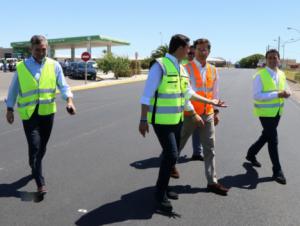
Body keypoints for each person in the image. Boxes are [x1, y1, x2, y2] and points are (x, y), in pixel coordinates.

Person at [139, 34, 226, 213]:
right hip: (161, 120)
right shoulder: (160, 65)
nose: (191, 51)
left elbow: (188, 94)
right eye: (189, 48)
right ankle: (159, 193)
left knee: (174, 155)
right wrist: (142, 119)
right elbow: (146, 94)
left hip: (177, 118)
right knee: (171, 154)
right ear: (180, 48)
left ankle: (163, 188)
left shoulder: (181, 69)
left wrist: (212, 103)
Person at [5, 35, 76, 194]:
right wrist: (9, 109)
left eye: (44, 50)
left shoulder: (54, 65)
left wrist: (69, 101)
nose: (41, 53)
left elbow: (63, 86)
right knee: (35, 146)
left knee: (42, 147)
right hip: (29, 114)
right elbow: (13, 90)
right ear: (31, 49)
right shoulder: (22, 67)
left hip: (47, 112)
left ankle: (34, 164)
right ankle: (40, 183)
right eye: (38, 50)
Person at [174, 38, 228, 196]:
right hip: (189, 114)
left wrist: (216, 112)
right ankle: (167, 171)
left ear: (209, 51)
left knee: (210, 149)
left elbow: (215, 93)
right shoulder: (185, 68)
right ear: (193, 50)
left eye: (205, 49)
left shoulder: (213, 69)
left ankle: (212, 182)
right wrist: (193, 113)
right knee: (177, 146)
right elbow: (184, 94)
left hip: (208, 114)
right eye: (199, 49)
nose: (203, 52)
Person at [246, 49, 290, 185]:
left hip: (277, 112)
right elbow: (257, 95)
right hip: (265, 113)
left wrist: (287, 92)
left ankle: (251, 153)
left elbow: (286, 87)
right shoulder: (260, 75)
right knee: (273, 139)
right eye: (269, 58)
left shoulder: (282, 74)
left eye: (274, 57)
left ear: (279, 59)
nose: (272, 60)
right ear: (266, 60)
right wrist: (277, 94)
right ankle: (277, 170)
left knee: (267, 135)